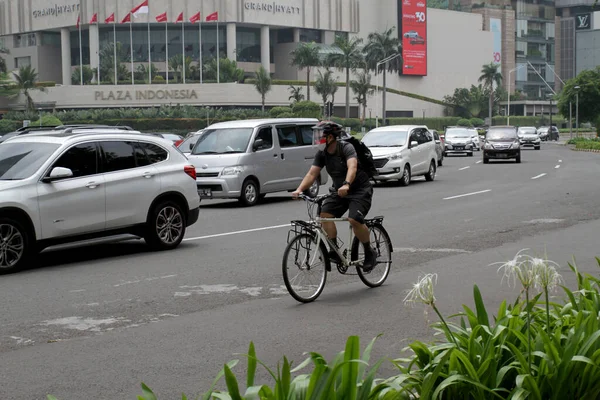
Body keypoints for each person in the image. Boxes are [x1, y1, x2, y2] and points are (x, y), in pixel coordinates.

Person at [291, 121, 377, 272]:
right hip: (339, 191)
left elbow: (352, 167)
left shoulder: (345, 148)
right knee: (324, 215)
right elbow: (312, 174)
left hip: (359, 190)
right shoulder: (322, 154)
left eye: (319, 135)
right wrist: (299, 190)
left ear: (330, 137)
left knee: (354, 219)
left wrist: (347, 184)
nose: (316, 139)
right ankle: (334, 250)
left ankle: (369, 252)